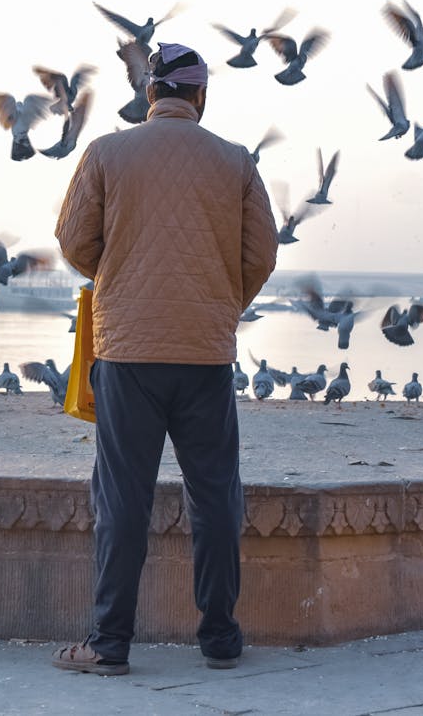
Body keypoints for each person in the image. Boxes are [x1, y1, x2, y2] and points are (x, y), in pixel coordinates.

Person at [52, 41, 278, 676]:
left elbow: (73, 239)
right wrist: (217, 300)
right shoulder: (235, 162)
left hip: (128, 354)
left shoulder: (106, 153)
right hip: (205, 354)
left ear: (150, 95)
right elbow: (261, 254)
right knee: (215, 497)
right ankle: (221, 640)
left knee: (123, 498)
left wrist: (122, 280)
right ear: (200, 97)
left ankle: (109, 644)